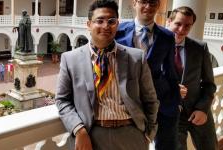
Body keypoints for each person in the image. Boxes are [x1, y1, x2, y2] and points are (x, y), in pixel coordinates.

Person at [55, 0, 159, 150]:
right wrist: (79, 130)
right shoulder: (70, 59)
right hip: (91, 135)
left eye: (111, 21)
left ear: (117, 24)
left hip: (131, 135)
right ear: (89, 24)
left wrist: (149, 133)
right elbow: (62, 100)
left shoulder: (136, 58)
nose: (106, 26)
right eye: (100, 21)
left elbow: (151, 99)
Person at [115, 0, 180, 149]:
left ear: (158, 6)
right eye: (143, 1)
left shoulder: (167, 36)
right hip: (125, 102)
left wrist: (175, 102)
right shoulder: (118, 31)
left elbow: (170, 72)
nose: (148, 6)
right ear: (134, 3)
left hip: (159, 100)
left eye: (152, 3)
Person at [167, 6, 218, 150]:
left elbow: (209, 84)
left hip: (199, 111)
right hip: (172, 115)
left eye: (187, 26)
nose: (182, 29)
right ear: (169, 21)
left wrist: (203, 108)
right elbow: (150, 81)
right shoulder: (156, 48)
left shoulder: (200, 47)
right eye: (178, 24)